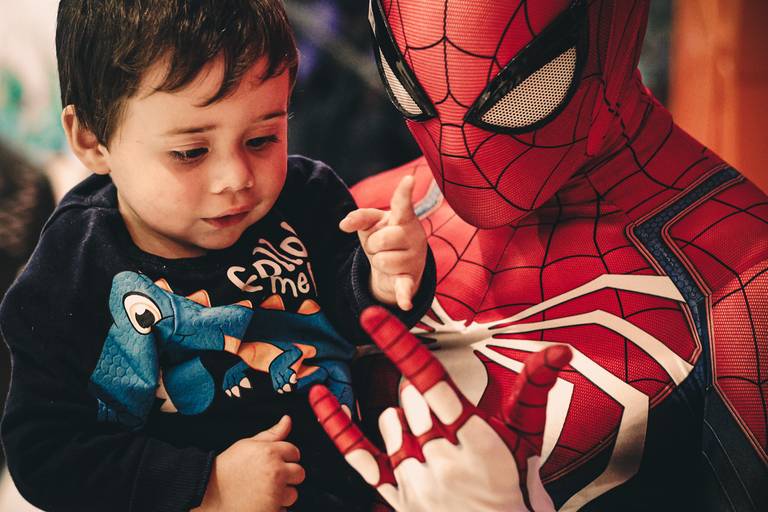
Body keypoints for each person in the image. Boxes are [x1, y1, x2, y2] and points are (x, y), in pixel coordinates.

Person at [310, 0, 768, 511]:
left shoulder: (740, 283)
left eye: (525, 93)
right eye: (409, 89)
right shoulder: (364, 225)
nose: (460, 151)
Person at [0, 1, 436, 511]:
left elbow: (361, 315)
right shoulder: (73, 271)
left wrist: (388, 274)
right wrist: (208, 485)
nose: (236, 179)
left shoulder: (308, 198)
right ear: (93, 139)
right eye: (190, 152)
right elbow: (46, 454)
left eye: (262, 138)